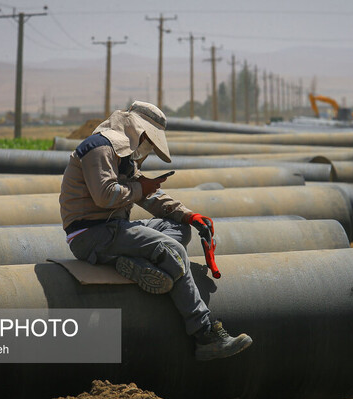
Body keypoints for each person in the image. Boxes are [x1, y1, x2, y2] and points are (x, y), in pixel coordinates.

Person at [59, 100, 252, 361]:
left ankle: (135, 263)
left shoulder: (124, 157)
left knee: (178, 230)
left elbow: (150, 196)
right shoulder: (99, 147)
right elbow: (105, 196)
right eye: (148, 141)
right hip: (91, 235)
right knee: (171, 249)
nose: (148, 149)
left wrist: (188, 215)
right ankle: (204, 333)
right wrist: (142, 189)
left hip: (114, 229)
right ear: (137, 131)